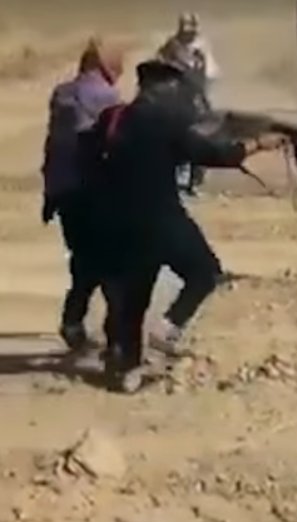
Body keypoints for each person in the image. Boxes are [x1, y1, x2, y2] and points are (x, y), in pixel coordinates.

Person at [86, 60, 284, 392]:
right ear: (161, 88)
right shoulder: (165, 122)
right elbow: (215, 154)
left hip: (120, 220)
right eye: (174, 89)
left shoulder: (114, 118)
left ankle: (128, 369)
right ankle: (167, 330)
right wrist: (257, 144)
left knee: (134, 299)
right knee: (205, 273)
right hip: (162, 218)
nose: (178, 94)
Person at [40, 37, 124, 352]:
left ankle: (75, 322)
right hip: (93, 190)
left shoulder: (61, 94)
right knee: (110, 261)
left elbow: (53, 146)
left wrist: (49, 194)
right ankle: (115, 337)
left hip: (62, 190)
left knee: (85, 258)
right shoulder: (107, 98)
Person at [158, 12, 219, 197]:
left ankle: (195, 181)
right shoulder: (172, 46)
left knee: (203, 137)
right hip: (177, 99)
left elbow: (209, 75)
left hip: (196, 98)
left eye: (191, 29)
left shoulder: (202, 46)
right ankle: (179, 182)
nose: (189, 33)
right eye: (186, 29)